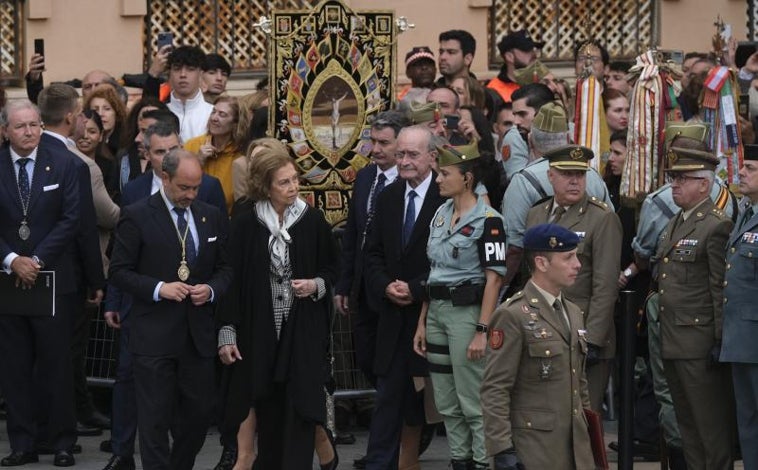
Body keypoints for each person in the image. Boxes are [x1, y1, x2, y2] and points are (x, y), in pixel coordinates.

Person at [108, 148, 232, 469]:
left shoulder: (210, 215)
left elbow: (225, 269)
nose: (191, 194)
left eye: (196, 187)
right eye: (183, 187)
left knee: (198, 415)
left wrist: (212, 290)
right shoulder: (136, 215)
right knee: (154, 422)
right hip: (153, 336)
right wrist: (158, 288)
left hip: (196, 337)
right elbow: (119, 271)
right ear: (165, 178)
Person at [217, 146, 338, 469]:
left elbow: (333, 269)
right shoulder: (246, 224)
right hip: (260, 331)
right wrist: (227, 332)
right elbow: (231, 280)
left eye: (295, 180)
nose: (293, 187)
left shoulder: (311, 221)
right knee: (266, 403)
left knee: (300, 405)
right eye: (284, 182)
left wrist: (315, 286)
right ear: (265, 186)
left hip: (302, 330)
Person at [414, 139, 506, 469]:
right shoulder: (440, 214)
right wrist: (423, 321)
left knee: (472, 401)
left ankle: (482, 463)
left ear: (466, 177)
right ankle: (460, 461)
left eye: (444, 173)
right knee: (447, 402)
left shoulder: (489, 221)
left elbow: (494, 278)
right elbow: (434, 271)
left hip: (467, 315)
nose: (437, 179)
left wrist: (483, 329)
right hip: (437, 312)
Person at [0, 100, 82, 466]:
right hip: (8, 280)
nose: (30, 132)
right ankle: (22, 443)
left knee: (56, 364)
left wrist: (35, 260)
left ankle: (62, 441)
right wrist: (12, 260)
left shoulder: (62, 162)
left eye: (34, 124)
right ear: (6, 131)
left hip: (51, 278)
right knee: (15, 366)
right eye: (21, 126)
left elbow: (71, 219)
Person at [361, 124, 444, 470]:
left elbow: (453, 261)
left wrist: (416, 287)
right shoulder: (390, 196)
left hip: (434, 314)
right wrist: (385, 286)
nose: (405, 161)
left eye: (412, 154)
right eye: (401, 154)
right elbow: (373, 252)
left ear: (432, 157)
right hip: (394, 317)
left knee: (434, 402)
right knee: (388, 398)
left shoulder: (447, 196)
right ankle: (380, 463)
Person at [481, 223, 595, 470]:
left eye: (576, 256)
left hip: (575, 448)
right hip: (535, 450)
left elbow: (579, 382)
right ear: (542, 263)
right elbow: (495, 388)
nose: (577, 264)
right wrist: (502, 450)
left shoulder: (573, 313)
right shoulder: (512, 315)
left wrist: (590, 439)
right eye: (568, 258)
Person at [655, 146, 736, 469]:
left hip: (699, 343)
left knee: (710, 430)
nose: (674, 185)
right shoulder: (678, 221)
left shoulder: (715, 226)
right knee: (687, 428)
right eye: (673, 178)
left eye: (682, 179)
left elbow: (719, 288)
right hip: (674, 340)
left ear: (704, 184)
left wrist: (720, 340)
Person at [525, 145, 622, 413]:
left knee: (582, 415)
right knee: (547, 414)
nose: (575, 181)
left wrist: (592, 339)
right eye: (567, 174)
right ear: (550, 176)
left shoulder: (601, 218)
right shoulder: (537, 214)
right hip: (543, 329)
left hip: (582, 331)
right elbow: (531, 275)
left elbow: (605, 285)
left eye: (580, 175)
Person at [500, 103, 611, 297]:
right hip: (588, 289)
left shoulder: (523, 182)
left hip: (542, 289)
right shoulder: (592, 176)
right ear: (568, 139)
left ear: (530, 140)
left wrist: (500, 292)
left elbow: (514, 248)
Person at [722, 144, 758, 469]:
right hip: (741, 338)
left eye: (751, 168)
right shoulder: (747, 213)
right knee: (748, 423)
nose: (742, 173)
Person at [184, 95, 245, 212]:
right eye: (213, 112)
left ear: (235, 123)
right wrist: (199, 161)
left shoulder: (241, 154)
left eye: (222, 114)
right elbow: (180, 184)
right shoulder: (192, 145)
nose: (214, 118)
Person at [501, 83, 554, 181]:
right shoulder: (515, 137)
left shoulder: (570, 130)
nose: (516, 122)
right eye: (515, 115)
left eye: (522, 114)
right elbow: (519, 183)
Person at [165, 46, 214, 142]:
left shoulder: (212, 114)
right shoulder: (161, 112)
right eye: (177, 69)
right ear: (169, 74)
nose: (183, 74)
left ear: (201, 74)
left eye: (190, 69)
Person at [487, 29, 544, 103]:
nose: (533, 54)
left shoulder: (540, 83)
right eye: (526, 50)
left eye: (533, 49)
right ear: (509, 57)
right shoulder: (494, 90)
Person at [231, 137, 289, 202]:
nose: (253, 165)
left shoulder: (298, 206)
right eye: (251, 159)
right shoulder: (244, 206)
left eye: (260, 160)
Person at [83, 85, 128, 162]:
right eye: (95, 109)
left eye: (107, 109)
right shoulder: (83, 140)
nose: (100, 114)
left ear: (116, 113)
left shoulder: (126, 141)